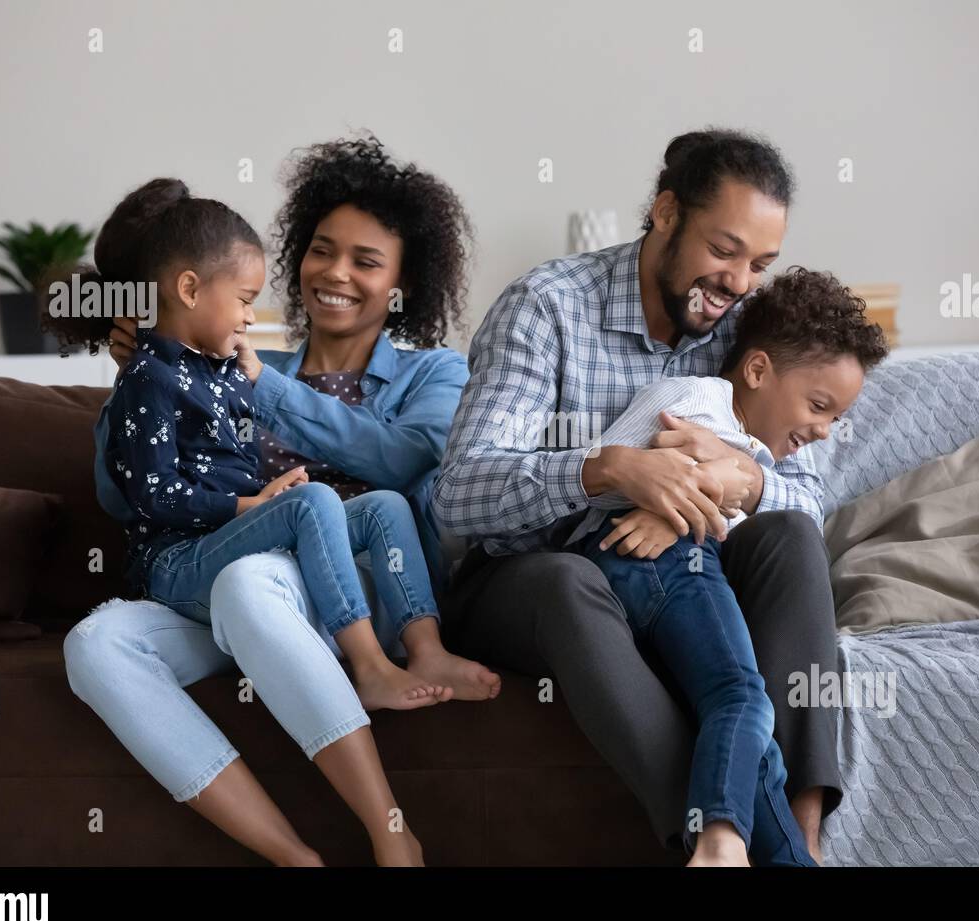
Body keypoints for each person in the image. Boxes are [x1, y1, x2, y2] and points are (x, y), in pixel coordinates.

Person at [57, 136, 493, 866]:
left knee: (249, 578)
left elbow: (402, 458)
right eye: (323, 249)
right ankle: (292, 856)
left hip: (348, 584)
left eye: (366, 261)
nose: (336, 273)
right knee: (95, 644)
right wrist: (138, 381)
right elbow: (121, 494)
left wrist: (261, 385)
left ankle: (392, 835)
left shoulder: (432, 373)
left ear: (403, 285)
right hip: (233, 593)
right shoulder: (210, 355)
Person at [434, 127, 846, 863]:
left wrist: (739, 477)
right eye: (724, 251)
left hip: (684, 569)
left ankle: (803, 837)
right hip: (528, 575)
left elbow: (813, 500)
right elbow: (458, 494)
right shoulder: (547, 307)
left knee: (788, 538)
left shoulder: (745, 332)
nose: (739, 282)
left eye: (760, 263)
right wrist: (609, 471)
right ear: (664, 213)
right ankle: (701, 843)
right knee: (570, 579)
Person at [569, 266, 887, 865]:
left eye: (836, 418)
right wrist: (689, 499)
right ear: (759, 370)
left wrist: (728, 484)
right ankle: (719, 843)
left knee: (754, 736)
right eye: (819, 406)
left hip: (676, 562)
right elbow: (631, 478)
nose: (823, 430)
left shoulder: (761, 451)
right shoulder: (692, 402)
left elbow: (802, 517)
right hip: (649, 562)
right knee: (742, 697)